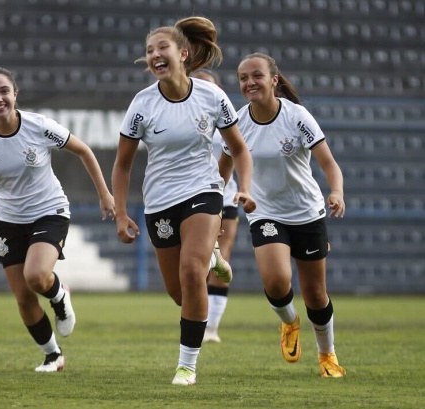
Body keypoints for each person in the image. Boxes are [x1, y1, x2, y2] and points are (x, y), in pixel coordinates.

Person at [112, 17, 255, 386]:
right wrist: (121, 213)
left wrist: (246, 188)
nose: (155, 55)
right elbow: (123, 164)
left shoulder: (212, 96)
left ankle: (187, 365)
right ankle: (211, 254)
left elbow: (238, 148)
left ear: (183, 53)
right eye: (149, 51)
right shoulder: (142, 104)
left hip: (203, 191)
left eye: (163, 48)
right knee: (180, 294)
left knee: (193, 275)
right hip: (159, 202)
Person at [0, 67, 115, 373]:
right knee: (23, 296)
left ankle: (59, 295)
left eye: (4, 91)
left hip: (49, 210)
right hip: (8, 219)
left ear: (15, 93)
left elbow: (84, 151)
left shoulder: (39, 126)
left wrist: (104, 194)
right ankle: (53, 356)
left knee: (36, 277)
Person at [220, 52, 346, 377]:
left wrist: (336, 192)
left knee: (316, 295)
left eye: (257, 76)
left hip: (307, 212)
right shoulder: (237, 122)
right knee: (277, 282)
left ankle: (327, 355)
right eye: (244, 78)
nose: (250, 83)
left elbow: (329, 164)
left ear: (273, 80)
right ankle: (290, 322)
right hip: (265, 213)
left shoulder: (297, 116)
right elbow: (222, 171)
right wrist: (215, 203)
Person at [191, 69, 239, 344]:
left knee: (223, 258)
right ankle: (197, 317)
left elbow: (244, 154)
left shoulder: (230, 120)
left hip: (225, 196)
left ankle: (211, 328)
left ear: (218, 89)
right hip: (188, 197)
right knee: (193, 264)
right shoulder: (182, 117)